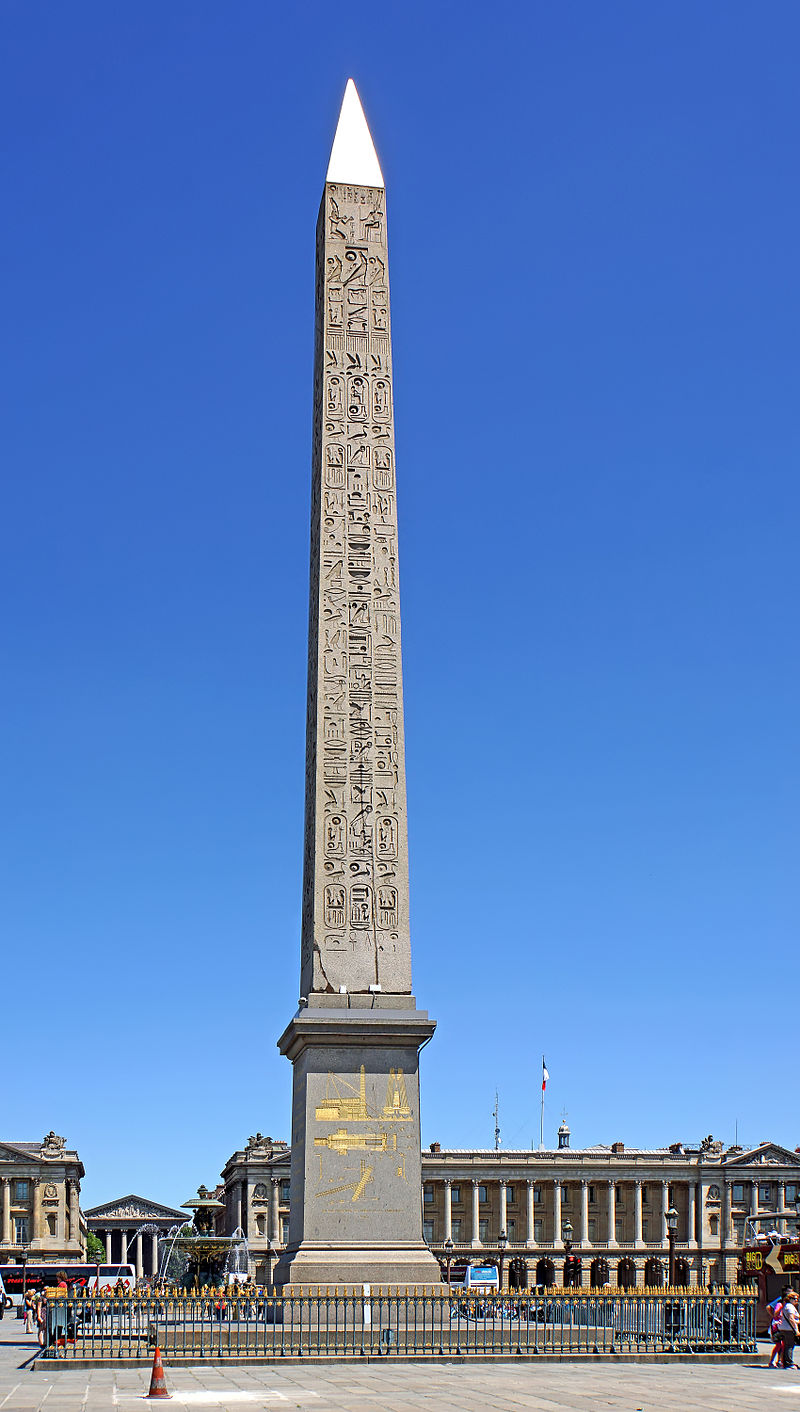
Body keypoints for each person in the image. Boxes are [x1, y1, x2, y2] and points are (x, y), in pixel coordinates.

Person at [778, 1290, 800, 1369]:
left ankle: (784, 1362)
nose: (796, 1300)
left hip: (784, 1328)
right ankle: (789, 1363)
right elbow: (791, 1318)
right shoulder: (790, 1307)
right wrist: (796, 1329)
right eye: (794, 1298)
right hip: (788, 1329)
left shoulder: (787, 1306)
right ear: (789, 1299)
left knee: (787, 1345)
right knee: (790, 1345)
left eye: (797, 1299)